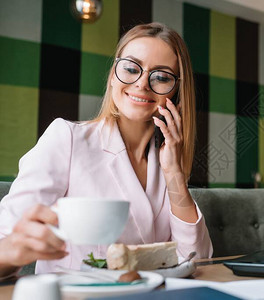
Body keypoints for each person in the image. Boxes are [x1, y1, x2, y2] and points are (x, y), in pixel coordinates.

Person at [0, 22, 213, 278]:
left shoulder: (166, 163)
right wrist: (15, 250)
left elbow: (197, 262)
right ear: (113, 76)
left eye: (161, 77)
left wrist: (174, 173)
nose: (142, 84)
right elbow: (7, 243)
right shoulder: (66, 138)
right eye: (131, 69)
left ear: (175, 92)